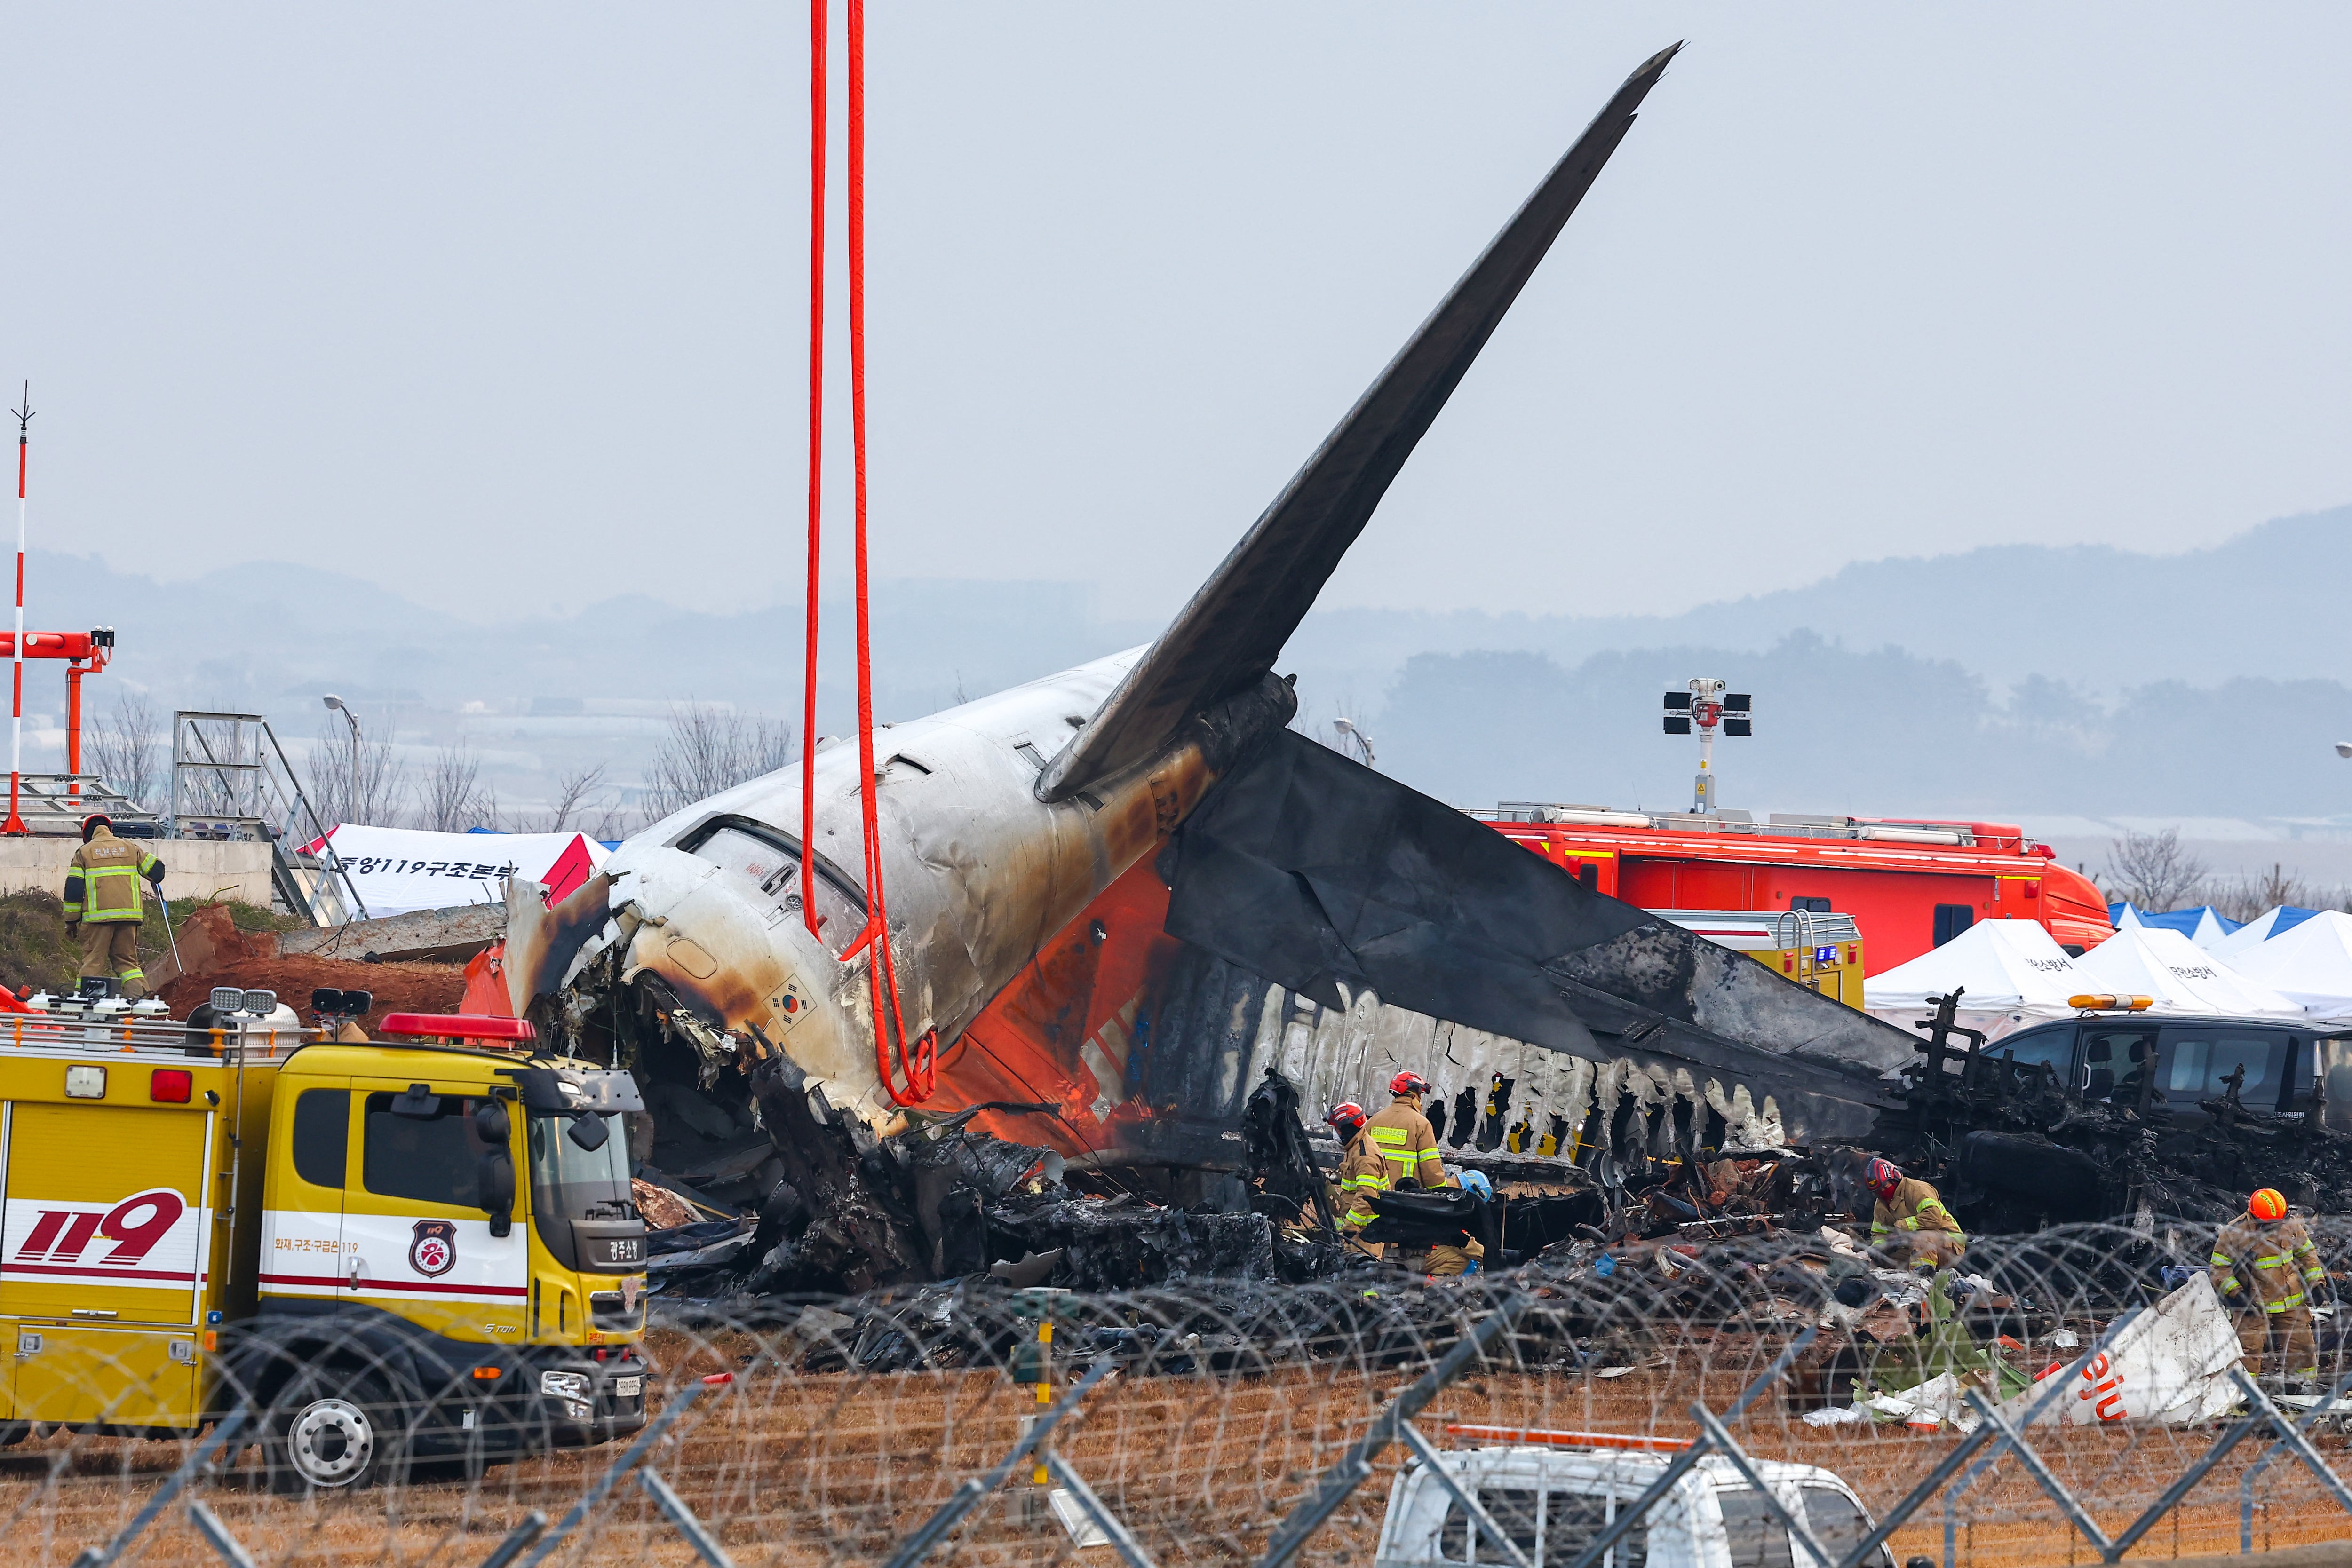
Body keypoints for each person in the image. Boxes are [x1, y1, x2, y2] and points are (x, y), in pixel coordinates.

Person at [2210, 1187, 2325, 1390]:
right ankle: (2243, 1394)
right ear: (2255, 1216)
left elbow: (2307, 1255)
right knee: (2248, 1351)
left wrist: (2317, 1283)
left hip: (2291, 1300)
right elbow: (2220, 1268)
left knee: (2302, 1347)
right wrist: (2236, 1294)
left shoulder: (2290, 1226)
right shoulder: (2234, 1233)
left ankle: (2303, 1388)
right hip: (2254, 1304)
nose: (2278, 1226)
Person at [64, 814, 165, 998]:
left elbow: (74, 890)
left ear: (86, 834)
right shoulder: (131, 848)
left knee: (94, 961)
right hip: (129, 918)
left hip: (97, 919)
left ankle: (86, 1003)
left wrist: (71, 922)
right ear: (110, 829)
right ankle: (140, 1000)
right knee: (127, 963)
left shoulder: (84, 852)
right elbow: (158, 872)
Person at [1863, 1157, 1965, 1271]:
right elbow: (1878, 1232)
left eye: (1885, 1188)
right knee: (1881, 1259)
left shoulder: (1918, 1189)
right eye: (1877, 1192)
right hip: (1913, 1246)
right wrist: (1881, 1246)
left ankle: (1921, 1281)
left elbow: (1934, 1218)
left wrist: (1901, 1227)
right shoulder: (1881, 1204)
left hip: (1950, 1244)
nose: (1882, 1193)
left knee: (1922, 1238)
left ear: (1895, 1179)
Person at [1326, 1102, 1384, 1256]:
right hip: (1357, 1231)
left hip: (1366, 1234)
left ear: (1348, 1129)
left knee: (1361, 1276)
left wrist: (1350, 1227)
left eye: (1337, 1129)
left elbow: (1367, 1197)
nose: (1335, 1133)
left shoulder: (1365, 1157)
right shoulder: (1355, 1146)